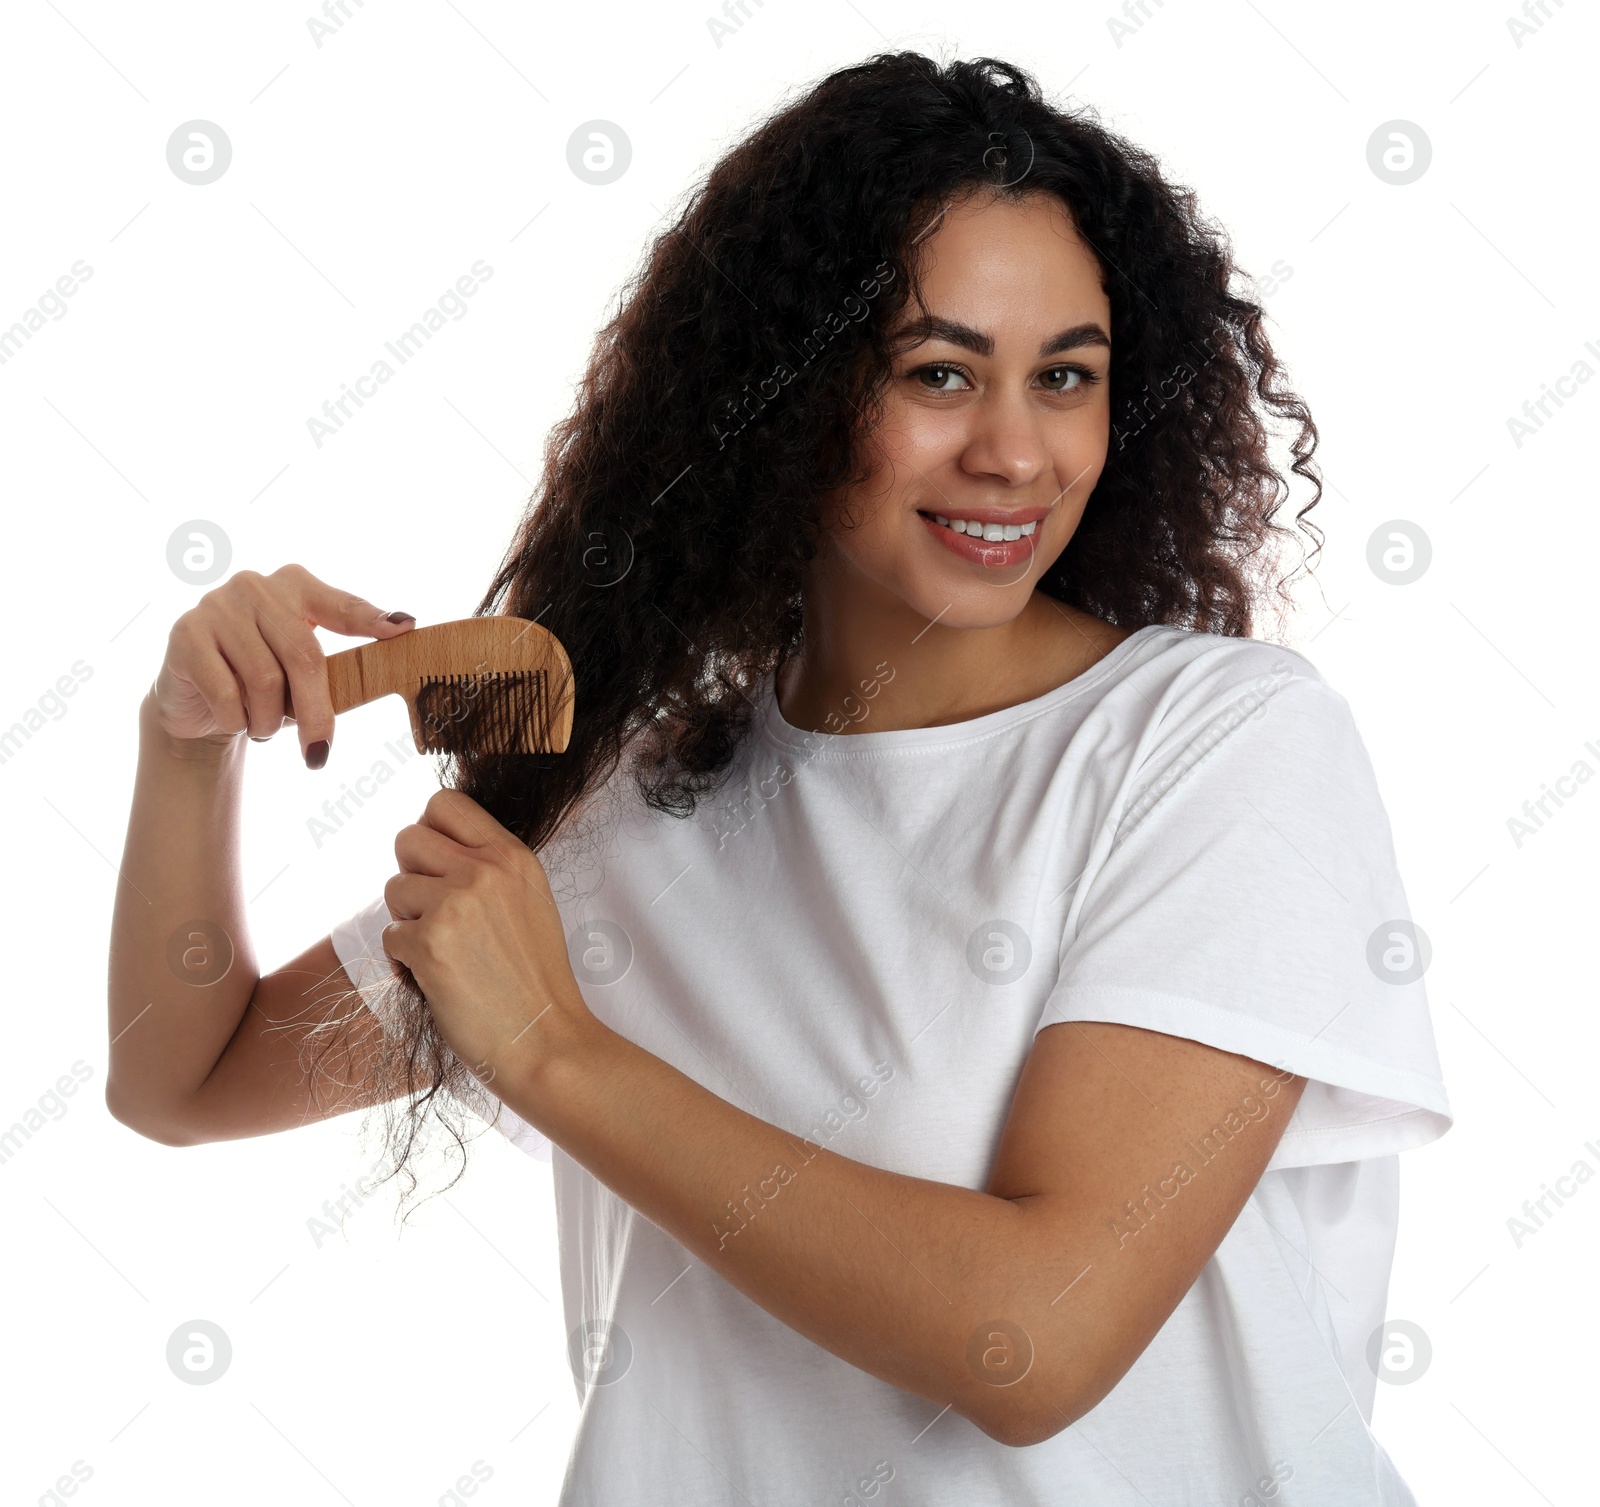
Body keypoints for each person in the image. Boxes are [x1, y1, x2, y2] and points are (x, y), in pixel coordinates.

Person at [108, 51, 1451, 1505]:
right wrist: (184, 742)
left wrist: (554, 1046)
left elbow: (1034, 1338)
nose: (1014, 450)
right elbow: (183, 1074)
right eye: (938, 373)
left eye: (1065, 376)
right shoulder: (634, 797)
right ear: (784, 396)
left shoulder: (1212, 746)